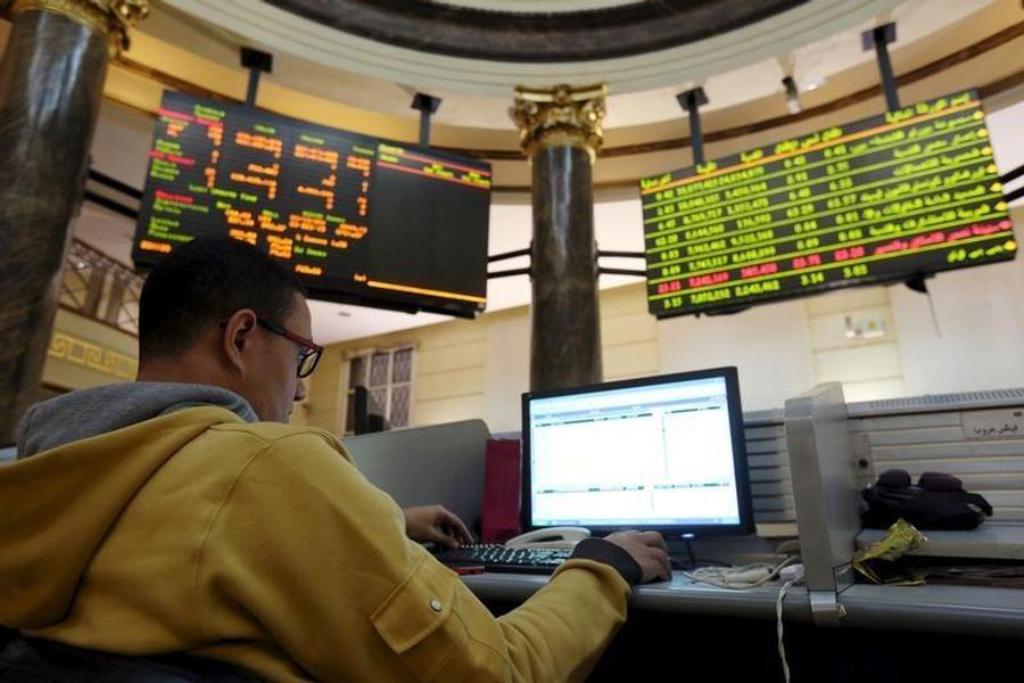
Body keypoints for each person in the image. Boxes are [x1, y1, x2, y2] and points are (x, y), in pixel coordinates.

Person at [0, 238, 670, 681]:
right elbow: (495, 672)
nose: (299, 386)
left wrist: (384, 518)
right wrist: (602, 566)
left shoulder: (53, 468)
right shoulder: (271, 465)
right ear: (241, 337)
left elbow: (184, 538)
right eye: (302, 356)